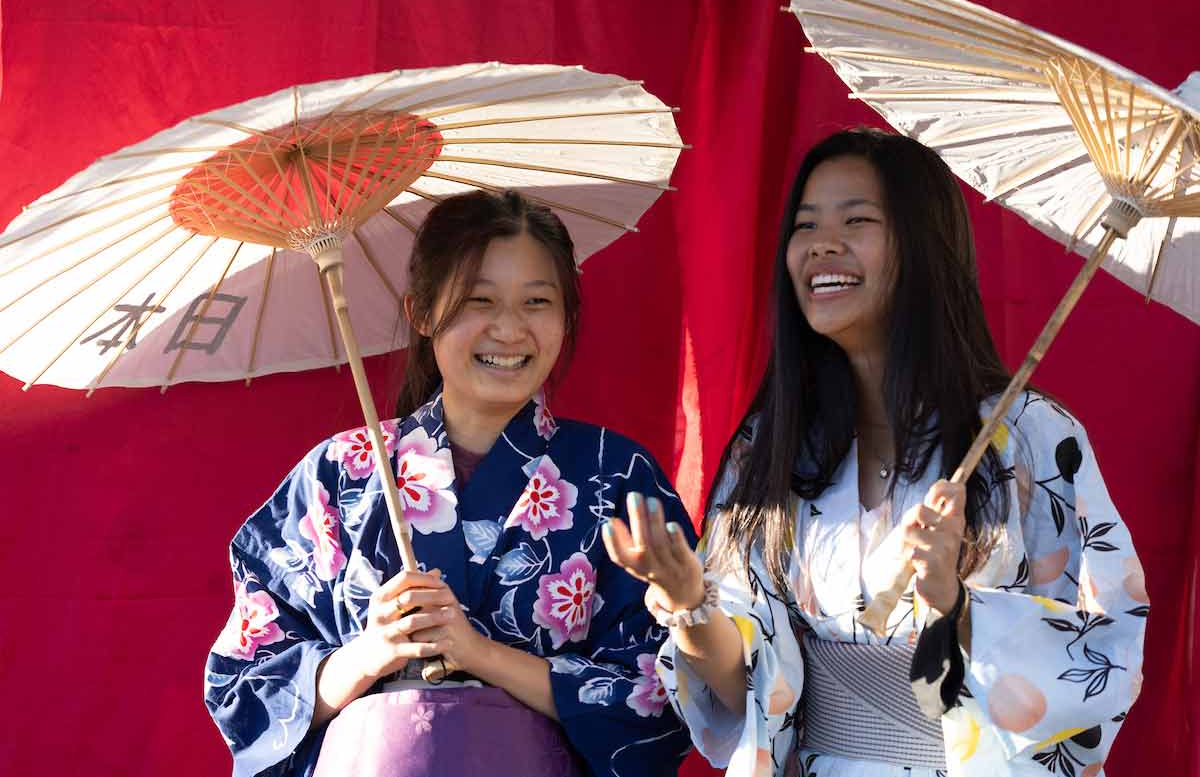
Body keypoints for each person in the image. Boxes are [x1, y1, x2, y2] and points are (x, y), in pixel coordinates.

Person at [604, 128, 1148, 777]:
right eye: (805, 226)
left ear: (924, 247)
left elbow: (1104, 650)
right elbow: (738, 687)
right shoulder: (769, 449)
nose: (822, 245)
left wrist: (957, 605)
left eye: (856, 220)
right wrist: (689, 599)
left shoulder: (1029, 435)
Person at [204, 190, 694, 777]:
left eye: (537, 301)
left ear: (567, 315)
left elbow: (668, 690)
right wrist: (372, 652)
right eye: (477, 301)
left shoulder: (613, 477)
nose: (509, 329)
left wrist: (478, 653)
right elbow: (245, 689)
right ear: (422, 313)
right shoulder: (339, 473)